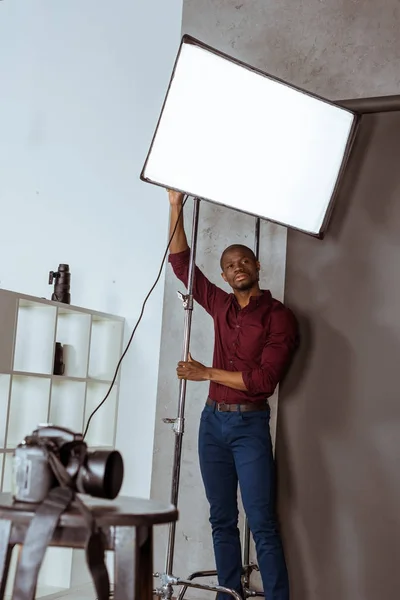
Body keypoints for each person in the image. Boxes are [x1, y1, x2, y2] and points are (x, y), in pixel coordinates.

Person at [167, 190, 298, 600]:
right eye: (229, 265)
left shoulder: (278, 316)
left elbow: (263, 381)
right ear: (223, 276)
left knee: (261, 522)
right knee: (221, 518)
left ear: (257, 267)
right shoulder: (220, 304)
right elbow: (182, 264)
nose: (237, 268)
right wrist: (175, 206)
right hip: (212, 423)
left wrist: (207, 372)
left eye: (243, 261)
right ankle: (228, 594)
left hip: (249, 425)